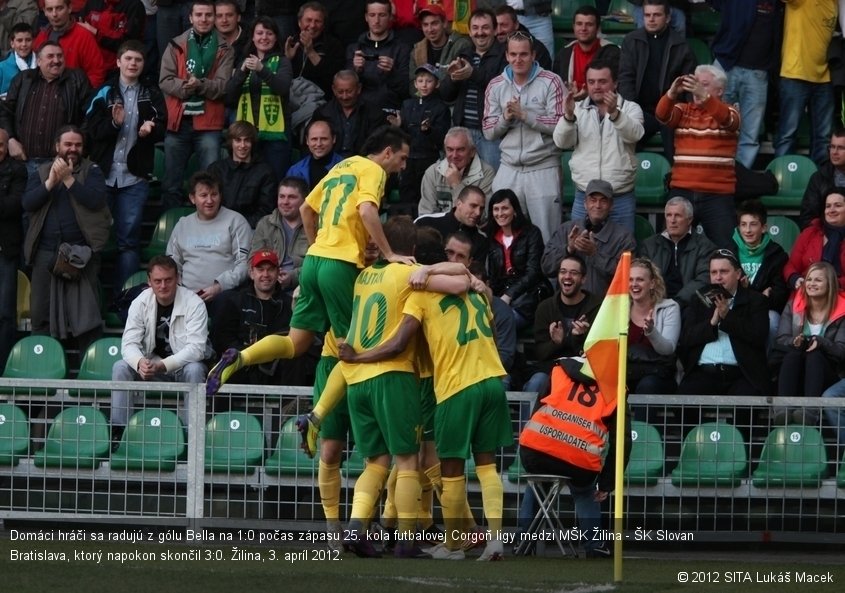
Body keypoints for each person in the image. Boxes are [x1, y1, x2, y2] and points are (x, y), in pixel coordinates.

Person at [205, 126, 415, 395]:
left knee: (296, 343)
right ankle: (320, 416)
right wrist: (390, 253)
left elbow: (306, 209)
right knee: (351, 348)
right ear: (388, 152)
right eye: (402, 158)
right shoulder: (373, 171)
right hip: (339, 265)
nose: (403, 165)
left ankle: (242, 357)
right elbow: (366, 210)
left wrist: (317, 244)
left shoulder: (340, 168)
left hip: (314, 263)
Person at [337, 257, 512, 562]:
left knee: (448, 470)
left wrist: (358, 359)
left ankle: (453, 543)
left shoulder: (419, 296)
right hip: (493, 381)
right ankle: (495, 540)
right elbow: (494, 338)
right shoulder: (478, 294)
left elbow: (398, 344)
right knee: (486, 467)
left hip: (455, 387)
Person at [518, 356, 628, 558]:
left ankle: (523, 540)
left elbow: (538, 408)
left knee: (537, 480)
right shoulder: (616, 386)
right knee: (585, 492)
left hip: (537, 447)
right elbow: (623, 441)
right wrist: (607, 483)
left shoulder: (560, 368)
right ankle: (594, 545)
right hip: (579, 460)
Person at [83, 39, 167, 297]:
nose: (133, 63)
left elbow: (162, 124)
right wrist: (113, 123)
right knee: (93, 241)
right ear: (118, 62)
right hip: (102, 174)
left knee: (129, 243)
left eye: (138, 60)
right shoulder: (103, 91)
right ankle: (91, 298)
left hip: (134, 177)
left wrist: (149, 131)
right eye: (128, 59)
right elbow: (90, 131)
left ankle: (126, 299)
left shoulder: (151, 93)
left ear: (143, 65)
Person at [22, 125, 111, 348]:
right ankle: (40, 375)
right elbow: (28, 203)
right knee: (40, 316)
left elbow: (95, 201)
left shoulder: (93, 170)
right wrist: (51, 182)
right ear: (57, 146)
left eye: (78, 145)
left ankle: (89, 377)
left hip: (80, 254)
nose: (73, 149)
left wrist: (69, 180)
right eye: (68, 144)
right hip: (45, 252)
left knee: (87, 320)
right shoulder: (41, 171)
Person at [110, 255, 211, 435]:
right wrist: (140, 362)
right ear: (149, 281)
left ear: (177, 279)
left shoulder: (194, 303)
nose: (163, 286)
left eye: (168, 280)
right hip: (150, 367)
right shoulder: (139, 302)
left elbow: (197, 349)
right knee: (120, 367)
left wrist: (162, 365)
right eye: (157, 281)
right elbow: (128, 344)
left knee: (195, 369)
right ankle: (119, 433)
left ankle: (193, 435)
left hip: (182, 368)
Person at [483, 29, 565, 243]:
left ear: (533, 55)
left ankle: (548, 278)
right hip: (508, 168)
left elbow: (560, 124)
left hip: (543, 167)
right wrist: (506, 118)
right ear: (507, 56)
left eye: (524, 54)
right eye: (513, 54)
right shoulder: (496, 85)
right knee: (504, 234)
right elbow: (489, 130)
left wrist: (525, 115)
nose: (518, 59)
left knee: (546, 235)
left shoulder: (552, 81)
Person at [553, 59, 643, 235]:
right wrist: (569, 117)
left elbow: (635, 134)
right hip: (585, 197)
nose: (596, 86)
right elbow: (561, 142)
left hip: (620, 197)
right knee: (579, 250)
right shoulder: (577, 109)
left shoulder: (631, 108)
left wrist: (615, 114)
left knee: (622, 252)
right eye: (591, 82)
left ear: (615, 83)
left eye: (602, 81)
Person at [159, 0, 234, 210]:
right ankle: (172, 230)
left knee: (210, 183)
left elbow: (223, 86)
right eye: (199, 15)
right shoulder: (175, 44)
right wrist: (187, 86)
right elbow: (164, 80)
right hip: (179, 121)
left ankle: (207, 228)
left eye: (208, 15)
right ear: (190, 18)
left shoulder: (225, 48)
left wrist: (199, 85)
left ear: (214, 18)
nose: (204, 19)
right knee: (171, 183)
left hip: (209, 123)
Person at [655, 65, 740, 249]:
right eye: (694, 83)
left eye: (704, 84)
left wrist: (705, 97)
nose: (696, 88)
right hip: (682, 190)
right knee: (669, 245)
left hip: (717, 194)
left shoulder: (730, 111)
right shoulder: (683, 109)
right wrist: (671, 93)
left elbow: (728, 120)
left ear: (720, 90)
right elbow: (661, 115)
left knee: (726, 248)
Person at [210, 249, 311, 392]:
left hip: (276, 368)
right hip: (243, 366)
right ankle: (221, 415)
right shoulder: (234, 301)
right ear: (251, 273)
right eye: (260, 269)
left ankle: (290, 409)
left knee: (296, 358)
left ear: (278, 273)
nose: (265, 275)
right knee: (228, 363)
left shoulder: (289, 304)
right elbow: (224, 339)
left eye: (270, 270)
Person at [677, 249, 772, 399]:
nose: (718, 278)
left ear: (738, 274)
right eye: (713, 272)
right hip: (703, 374)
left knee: (748, 405)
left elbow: (758, 336)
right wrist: (712, 323)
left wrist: (728, 316)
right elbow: (687, 338)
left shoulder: (755, 300)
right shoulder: (699, 300)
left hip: (742, 375)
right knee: (683, 401)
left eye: (723, 272)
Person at [709, 0, 783, 169]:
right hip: (726, 65)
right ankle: (714, 171)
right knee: (713, 125)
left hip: (758, 72)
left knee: (750, 136)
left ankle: (740, 178)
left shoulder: (781, 3)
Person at [617, 0, 696, 159]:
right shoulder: (632, 41)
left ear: (667, 18)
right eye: (647, 15)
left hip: (670, 112)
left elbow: (689, 84)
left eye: (656, 15)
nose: (651, 19)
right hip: (641, 111)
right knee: (624, 141)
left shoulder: (681, 46)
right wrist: (632, 109)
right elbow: (625, 79)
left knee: (675, 151)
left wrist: (687, 114)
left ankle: (673, 181)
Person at [0, 41, 91, 176]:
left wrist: (72, 150)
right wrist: (11, 140)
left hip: (59, 163)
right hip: (23, 162)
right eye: (50, 56)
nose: (56, 60)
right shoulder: (23, 79)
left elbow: (89, 116)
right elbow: (5, 112)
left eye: (60, 56)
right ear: (39, 61)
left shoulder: (77, 80)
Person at [774, 261, 845, 425]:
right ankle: (783, 409)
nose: (811, 284)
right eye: (809, 279)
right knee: (793, 354)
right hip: (796, 372)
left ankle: (810, 412)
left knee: (814, 355)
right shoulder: (793, 306)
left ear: (830, 284)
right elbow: (780, 340)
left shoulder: (842, 311)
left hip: (827, 374)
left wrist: (820, 342)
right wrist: (795, 341)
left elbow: (841, 351)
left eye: (818, 280)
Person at [224, 15, 293, 182]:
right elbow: (229, 98)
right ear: (253, 37)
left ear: (276, 37)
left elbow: (282, 88)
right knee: (248, 180)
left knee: (275, 179)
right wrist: (241, 73)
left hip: (276, 136)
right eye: (259, 33)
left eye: (269, 33)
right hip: (248, 135)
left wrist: (262, 69)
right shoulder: (245, 61)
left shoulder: (283, 61)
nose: (264, 37)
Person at [165, 170, 253, 300]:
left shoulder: (236, 221)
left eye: (214, 194)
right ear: (192, 198)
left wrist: (219, 287)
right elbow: (172, 263)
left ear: (220, 196)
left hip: (225, 295)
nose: (209, 200)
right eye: (203, 195)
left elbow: (245, 264)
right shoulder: (182, 225)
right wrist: (180, 291)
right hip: (186, 297)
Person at [541, 179, 636, 298]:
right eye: (593, 200)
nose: (597, 205)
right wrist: (569, 249)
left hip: (604, 307)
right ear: (585, 204)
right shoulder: (566, 229)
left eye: (603, 201)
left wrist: (595, 254)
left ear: (611, 205)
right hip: (568, 306)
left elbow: (628, 276)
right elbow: (547, 268)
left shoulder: (624, 237)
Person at [439, 8, 507, 170]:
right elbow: (446, 95)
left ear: (495, 30)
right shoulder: (464, 54)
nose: (480, 33)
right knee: (460, 181)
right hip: (463, 132)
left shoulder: (504, 55)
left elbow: (501, 88)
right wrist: (453, 78)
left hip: (490, 134)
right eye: (475, 28)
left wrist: (472, 73)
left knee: (492, 184)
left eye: (485, 27)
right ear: (469, 32)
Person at [773, 0, 837, 165]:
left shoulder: (836, 3)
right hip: (795, 73)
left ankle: (820, 183)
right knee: (788, 134)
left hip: (824, 76)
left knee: (823, 138)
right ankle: (779, 179)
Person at [483, 188, 547, 330]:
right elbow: (491, 276)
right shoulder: (489, 236)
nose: (500, 214)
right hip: (499, 297)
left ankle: (505, 353)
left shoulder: (531, 233)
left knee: (500, 324)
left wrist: (509, 294)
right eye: (496, 209)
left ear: (515, 210)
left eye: (505, 208)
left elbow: (533, 272)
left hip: (527, 298)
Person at [636, 196, 716, 307]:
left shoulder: (704, 246)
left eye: (677, 216)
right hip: (655, 304)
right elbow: (642, 276)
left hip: (689, 305)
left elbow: (704, 279)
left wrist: (676, 303)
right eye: (669, 215)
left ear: (689, 220)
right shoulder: (649, 245)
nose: (672, 220)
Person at [732, 200, 789, 346]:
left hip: (765, 310)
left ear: (764, 228)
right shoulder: (729, 252)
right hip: (734, 307)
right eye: (743, 224)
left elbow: (780, 294)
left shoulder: (777, 254)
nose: (748, 230)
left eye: (753, 224)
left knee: (773, 321)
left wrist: (747, 291)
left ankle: (767, 366)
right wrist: (759, 295)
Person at [207, 120, 276, 228]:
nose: (242, 145)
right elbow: (208, 203)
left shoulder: (265, 172)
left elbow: (265, 211)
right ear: (231, 142)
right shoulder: (216, 169)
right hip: (217, 227)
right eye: (238, 140)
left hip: (250, 229)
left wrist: (239, 225)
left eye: (247, 140)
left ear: (252, 143)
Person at [627, 257, 680, 396]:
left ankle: (641, 420)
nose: (634, 284)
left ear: (652, 284)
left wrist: (651, 331)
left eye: (640, 279)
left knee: (647, 386)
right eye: (630, 279)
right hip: (627, 372)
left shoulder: (669, 307)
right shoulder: (621, 309)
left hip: (658, 375)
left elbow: (668, 349)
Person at [346, 0, 410, 111]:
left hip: (389, 110)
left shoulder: (402, 49)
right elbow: (345, 89)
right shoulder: (353, 49)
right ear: (366, 17)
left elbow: (407, 90)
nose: (376, 20)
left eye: (382, 15)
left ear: (390, 17)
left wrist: (392, 73)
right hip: (359, 111)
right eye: (372, 15)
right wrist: (355, 70)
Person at [418, 126, 495, 216]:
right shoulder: (433, 173)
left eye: (460, 150)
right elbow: (426, 215)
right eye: (450, 149)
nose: (454, 155)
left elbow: (483, 217)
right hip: (439, 229)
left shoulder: (486, 173)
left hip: (470, 229)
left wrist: (457, 186)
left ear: (472, 152)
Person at [251, 176, 309, 292]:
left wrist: (293, 277)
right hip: (266, 286)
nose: (285, 202)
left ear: (304, 200)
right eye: (281, 197)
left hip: (303, 287)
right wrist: (270, 275)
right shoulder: (265, 223)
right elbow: (252, 259)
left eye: (291, 197)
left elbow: (318, 265)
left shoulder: (315, 226)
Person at [312, 69, 387, 158]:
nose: (344, 96)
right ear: (334, 90)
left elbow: (378, 146)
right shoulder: (323, 113)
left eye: (349, 91)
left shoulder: (374, 113)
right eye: (340, 92)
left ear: (359, 89)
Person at [0, 128, 26, 372]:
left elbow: (12, 207)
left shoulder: (17, 170)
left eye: (0, 145)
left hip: (6, 250)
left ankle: (4, 367)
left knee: (5, 313)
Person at [34, 0, 106, 87]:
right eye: (49, 9)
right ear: (44, 11)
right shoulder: (42, 36)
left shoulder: (84, 36)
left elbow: (97, 74)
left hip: (75, 96)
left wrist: (79, 94)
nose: (54, 14)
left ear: (69, 8)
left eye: (59, 8)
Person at [785, 189, 845, 293]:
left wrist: (833, 284)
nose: (832, 210)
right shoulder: (810, 233)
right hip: (808, 294)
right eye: (828, 206)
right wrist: (795, 278)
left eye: (838, 205)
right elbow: (791, 266)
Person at [284, 1, 345, 97]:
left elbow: (334, 79)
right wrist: (287, 59)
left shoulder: (334, 45)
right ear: (299, 22)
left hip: (320, 97)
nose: (312, 25)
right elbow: (279, 79)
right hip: (291, 96)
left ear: (323, 25)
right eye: (308, 20)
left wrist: (311, 52)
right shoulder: (290, 43)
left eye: (317, 21)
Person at [552, 5, 620, 91]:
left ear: (598, 28)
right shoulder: (564, 54)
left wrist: (588, 96)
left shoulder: (613, 52)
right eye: (579, 24)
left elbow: (617, 86)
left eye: (589, 24)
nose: (583, 28)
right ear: (573, 27)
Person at [416, 184, 489, 262]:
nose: (478, 213)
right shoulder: (425, 222)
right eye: (473, 206)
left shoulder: (481, 239)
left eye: (481, 209)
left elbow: (477, 272)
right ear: (458, 203)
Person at [409, 3, 471, 89]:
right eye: (425, 25)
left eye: (434, 23)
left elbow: (461, 84)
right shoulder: (417, 51)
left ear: (445, 23)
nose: (430, 29)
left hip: (451, 101)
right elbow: (412, 85)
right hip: (426, 101)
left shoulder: (460, 45)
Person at [78, 0, 145, 73]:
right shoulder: (93, 2)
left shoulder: (135, 6)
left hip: (118, 69)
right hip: (91, 65)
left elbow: (129, 45)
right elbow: (80, 22)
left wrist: (96, 33)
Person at [800, 128, 845, 228]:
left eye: (841, 148)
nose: (834, 152)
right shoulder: (818, 178)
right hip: (825, 236)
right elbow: (807, 218)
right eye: (832, 147)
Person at [286, 118, 343, 190]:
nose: (319, 144)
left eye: (324, 139)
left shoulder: (347, 168)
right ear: (307, 141)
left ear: (333, 139)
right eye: (314, 139)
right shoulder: (295, 171)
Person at [494, 5, 551, 70]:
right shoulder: (488, 46)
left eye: (504, 25)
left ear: (516, 25)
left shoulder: (537, 49)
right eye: (495, 26)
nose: (499, 31)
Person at [0, 22, 35, 98]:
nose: (24, 44)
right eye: (19, 40)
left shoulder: (40, 65)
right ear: (12, 43)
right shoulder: (2, 68)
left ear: (33, 42)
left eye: (28, 40)